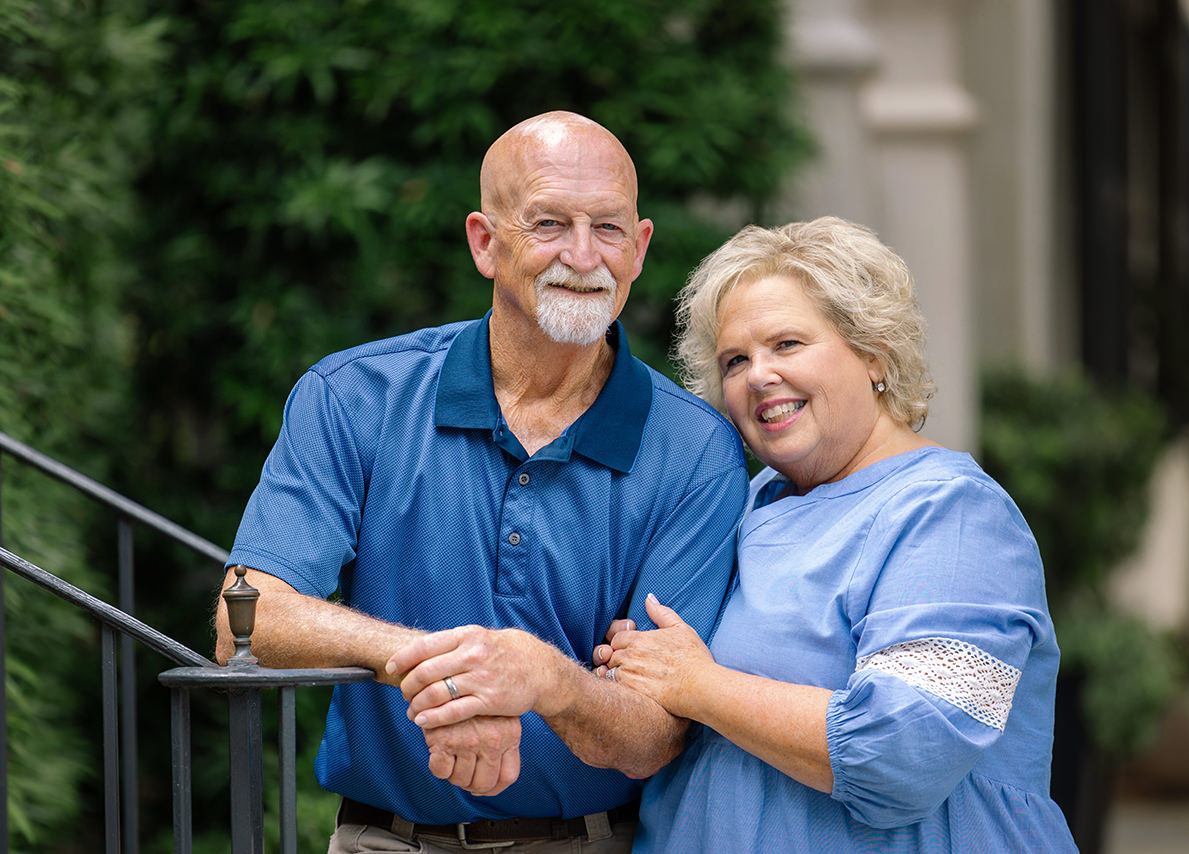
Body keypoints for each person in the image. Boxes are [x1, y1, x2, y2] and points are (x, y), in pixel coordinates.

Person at [214, 111, 747, 853]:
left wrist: (542, 681)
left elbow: (656, 735)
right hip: (381, 842)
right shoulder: (355, 396)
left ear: (641, 248)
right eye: (550, 223)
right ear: (485, 242)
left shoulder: (695, 449)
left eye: (609, 228)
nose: (583, 255)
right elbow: (246, 621)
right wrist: (460, 676)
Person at [592, 217, 1079, 853]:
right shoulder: (747, 504)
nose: (759, 375)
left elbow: (904, 755)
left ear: (873, 351)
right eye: (735, 360)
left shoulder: (959, 517)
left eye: (788, 344)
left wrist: (698, 686)